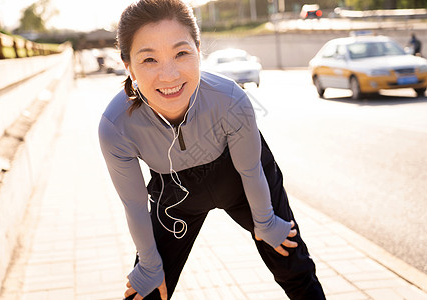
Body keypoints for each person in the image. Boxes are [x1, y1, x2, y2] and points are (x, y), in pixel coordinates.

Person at [98, 0, 326, 299]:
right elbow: (135, 205)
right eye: (149, 60)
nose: (169, 76)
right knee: (148, 289)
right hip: (176, 195)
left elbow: (250, 169)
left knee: (294, 266)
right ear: (128, 66)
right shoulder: (116, 126)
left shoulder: (231, 99)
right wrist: (151, 264)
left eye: (181, 53)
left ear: (198, 50)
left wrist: (266, 222)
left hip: (242, 179)